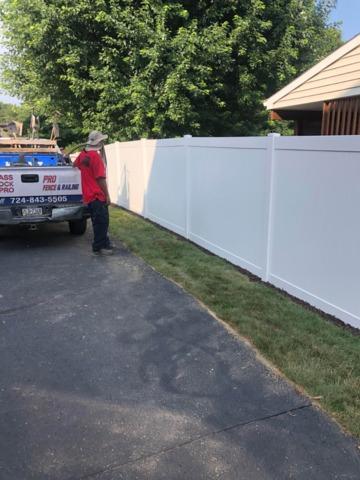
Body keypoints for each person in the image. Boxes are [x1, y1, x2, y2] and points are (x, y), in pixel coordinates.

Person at [73, 131, 113, 255]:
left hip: (88, 196)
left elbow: (75, 165)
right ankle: (99, 247)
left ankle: (105, 243)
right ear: (99, 143)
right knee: (101, 222)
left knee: (98, 221)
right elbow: (100, 178)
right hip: (97, 195)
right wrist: (107, 195)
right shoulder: (95, 157)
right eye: (102, 141)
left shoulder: (83, 155)